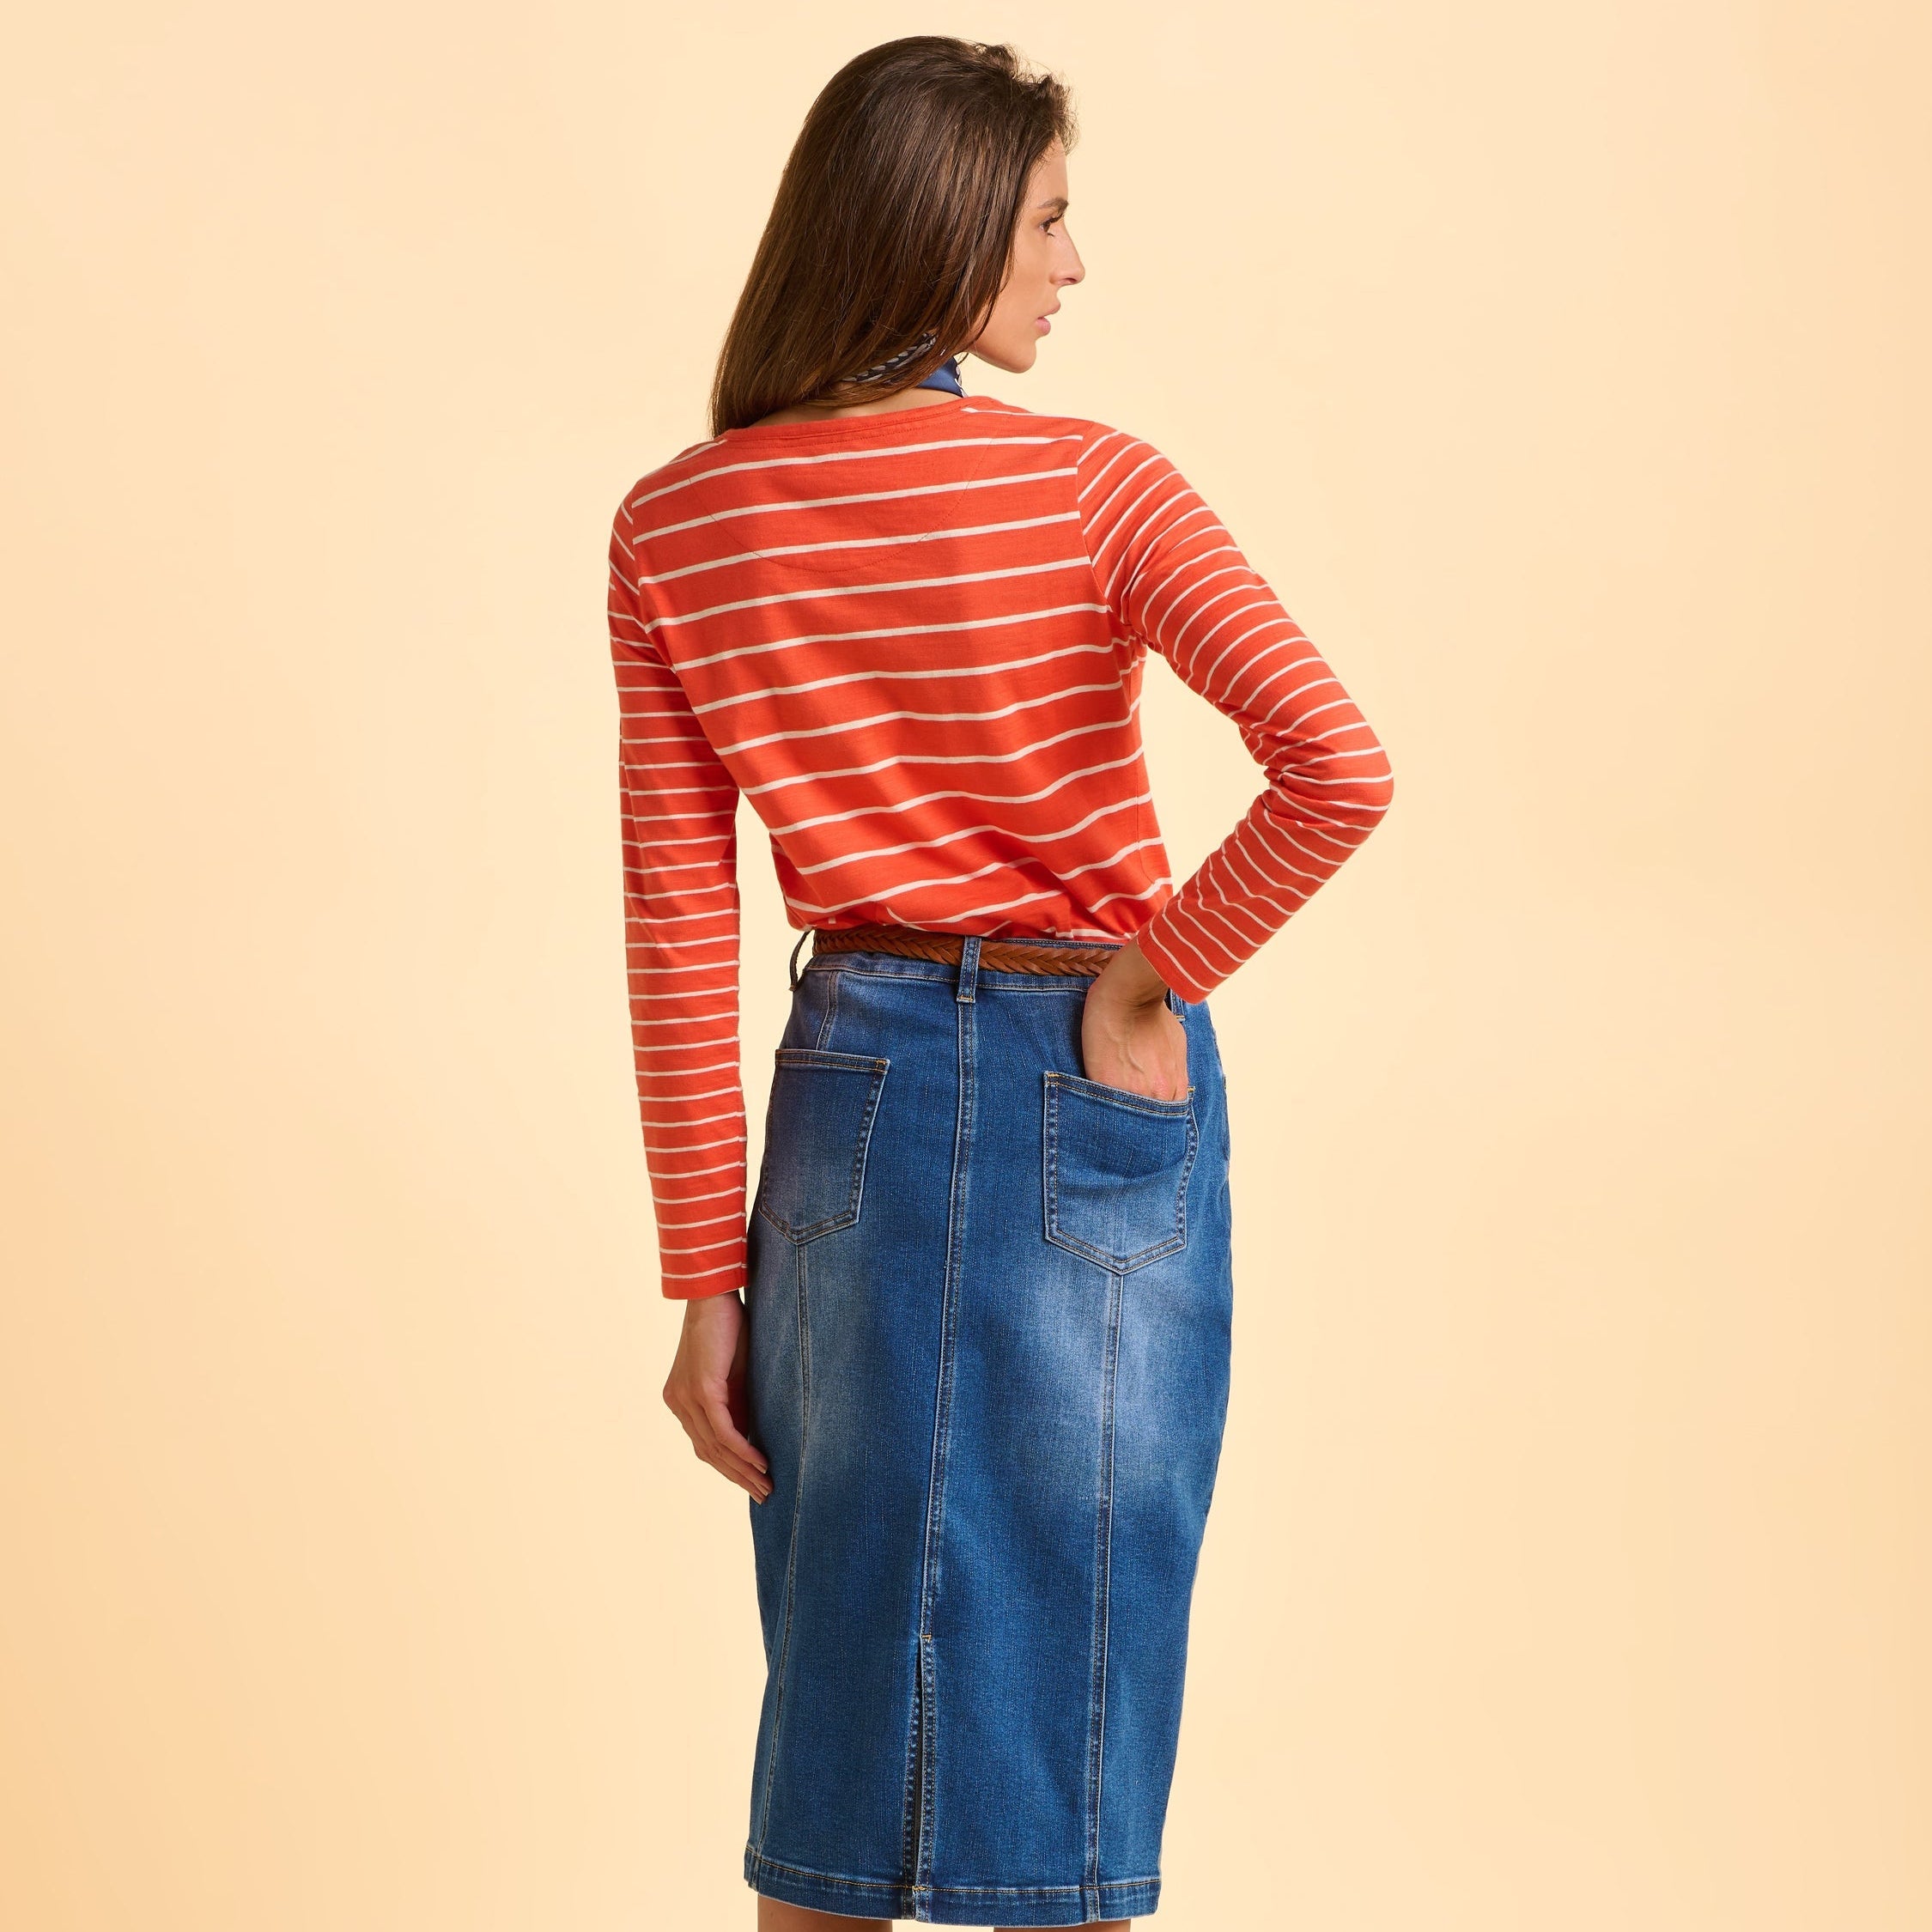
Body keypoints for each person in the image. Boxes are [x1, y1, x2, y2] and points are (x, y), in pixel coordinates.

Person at [605, 35, 1394, 1929]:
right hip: (1087, 1090)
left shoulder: (675, 523)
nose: (1072, 263)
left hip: (841, 1099)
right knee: (1083, 1633)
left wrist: (704, 1275)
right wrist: (1144, 990)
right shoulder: (1100, 487)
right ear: (946, 226)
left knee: (843, 1654)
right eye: (1047, 218)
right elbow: (1337, 766)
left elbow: (673, 921)